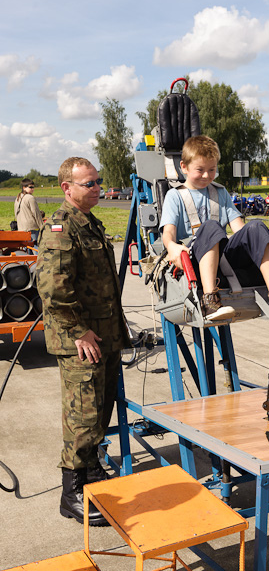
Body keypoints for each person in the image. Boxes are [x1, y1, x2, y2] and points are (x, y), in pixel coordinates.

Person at [36, 157, 130, 526]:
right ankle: (71, 492)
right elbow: (53, 290)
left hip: (102, 335)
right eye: (89, 183)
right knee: (82, 415)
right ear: (67, 188)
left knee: (100, 410)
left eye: (98, 181)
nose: (97, 188)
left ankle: (91, 476)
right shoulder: (61, 228)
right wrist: (79, 331)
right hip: (80, 340)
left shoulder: (89, 224)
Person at [160, 135, 269, 322]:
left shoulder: (220, 192)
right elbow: (168, 232)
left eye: (212, 170)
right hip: (193, 259)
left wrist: (260, 241)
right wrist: (171, 246)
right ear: (183, 167)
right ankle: (209, 300)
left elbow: (239, 230)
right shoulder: (174, 196)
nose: (207, 175)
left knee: (256, 227)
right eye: (200, 170)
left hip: (224, 256)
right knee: (211, 226)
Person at [14, 178, 43, 244]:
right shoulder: (30, 198)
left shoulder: (18, 197)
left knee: (26, 248)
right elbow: (36, 213)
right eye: (30, 187)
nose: (33, 189)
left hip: (21, 228)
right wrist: (42, 227)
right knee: (36, 248)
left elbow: (16, 213)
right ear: (24, 187)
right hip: (31, 228)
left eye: (33, 187)